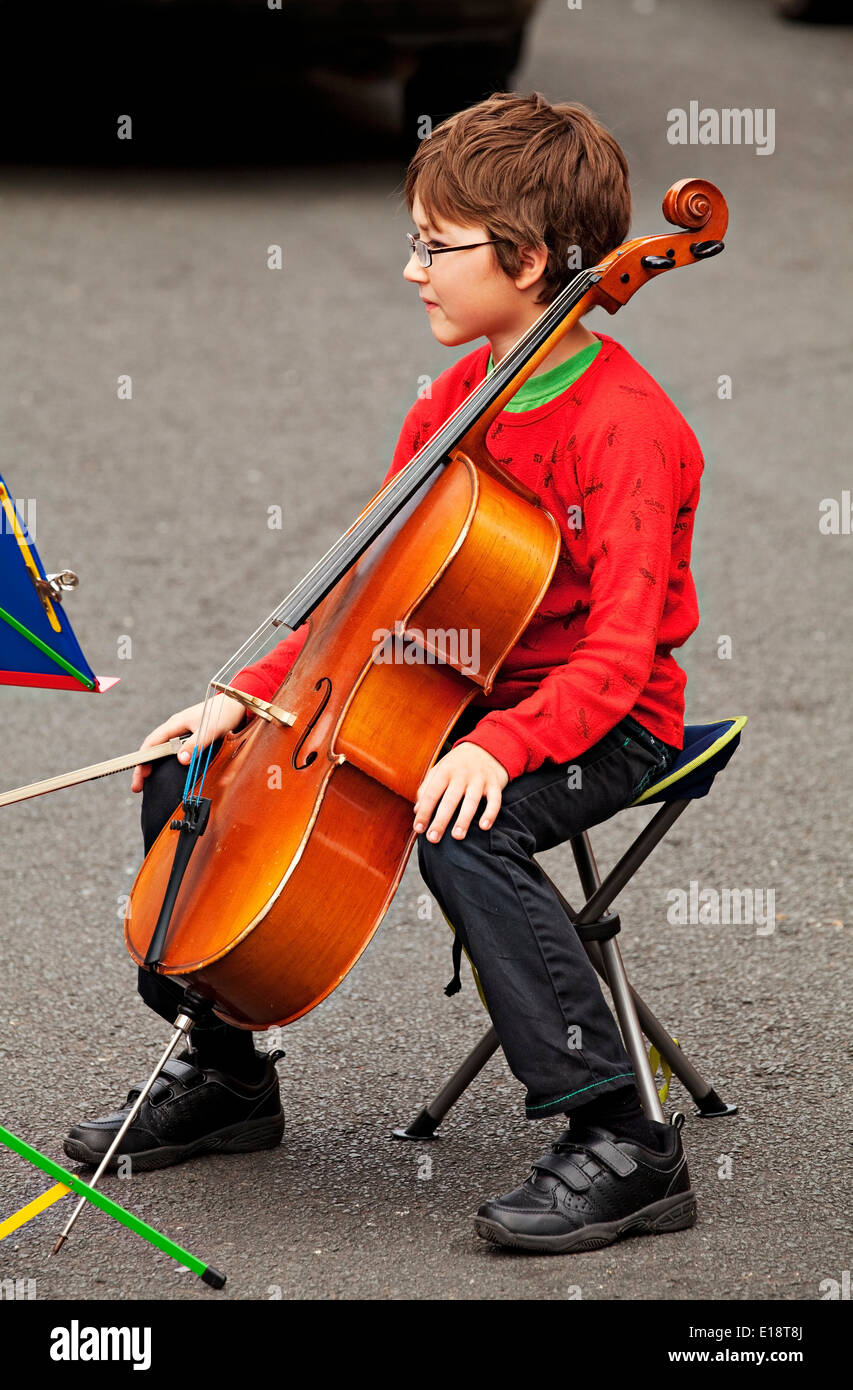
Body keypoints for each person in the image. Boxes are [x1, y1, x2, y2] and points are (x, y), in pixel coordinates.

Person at [66, 91, 703, 1254]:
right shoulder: (455, 401)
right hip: (450, 687)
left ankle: (623, 1137)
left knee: (468, 826)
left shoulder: (625, 427)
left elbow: (618, 654)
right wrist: (246, 688)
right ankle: (226, 1073)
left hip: (598, 718)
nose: (411, 268)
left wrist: (501, 745)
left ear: (524, 261)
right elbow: (368, 588)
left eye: (433, 245)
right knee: (196, 763)